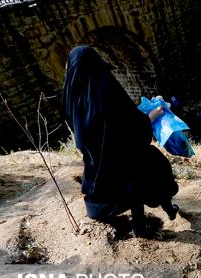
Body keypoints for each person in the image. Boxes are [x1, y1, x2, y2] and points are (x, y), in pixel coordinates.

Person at [63, 46, 179, 236]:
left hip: (98, 165)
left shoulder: (72, 101)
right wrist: (156, 113)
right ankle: (158, 215)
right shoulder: (109, 93)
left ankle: (140, 222)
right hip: (125, 160)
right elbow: (137, 128)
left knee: (130, 170)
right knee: (152, 165)